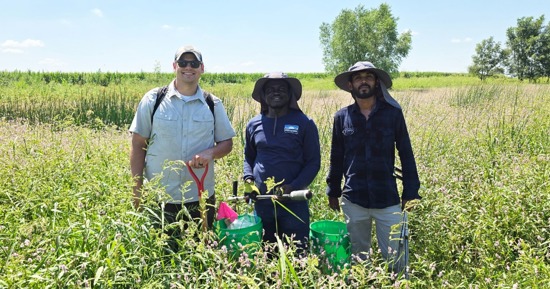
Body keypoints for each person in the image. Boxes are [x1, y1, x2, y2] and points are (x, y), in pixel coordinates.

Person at [325, 61, 421, 268]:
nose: (363, 81)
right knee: (359, 258)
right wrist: (333, 190)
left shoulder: (392, 114)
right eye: (358, 78)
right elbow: (337, 156)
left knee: (395, 257)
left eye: (368, 76)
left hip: (387, 198)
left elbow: (406, 152)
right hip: (354, 199)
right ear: (351, 85)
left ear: (376, 82)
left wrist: (411, 192)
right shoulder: (342, 117)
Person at [129, 45, 235, 230]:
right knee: (160, 254)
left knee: (200, 251)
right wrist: (137, 189)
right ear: (174, 65)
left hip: (200, 196)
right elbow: (138, 145)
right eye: (183, 62)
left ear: (201, 68)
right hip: (160, 196)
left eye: (194, 63)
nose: (188, 67)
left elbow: (227, 143)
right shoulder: (153, 100)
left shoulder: (213, 104)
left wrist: (211, 153)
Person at [243, 72, 321, 253]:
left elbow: (313, 162)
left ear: (290, 94)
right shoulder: (254, 125)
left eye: (281, 89)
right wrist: (248, 181)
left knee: (297, 253)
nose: (275, 93)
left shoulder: (304, 123)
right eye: (270, 90)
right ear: (263, 96)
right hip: (262, 202)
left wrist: (294, 186)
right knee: (266, 252)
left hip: (294, 203)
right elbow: (249, 157)